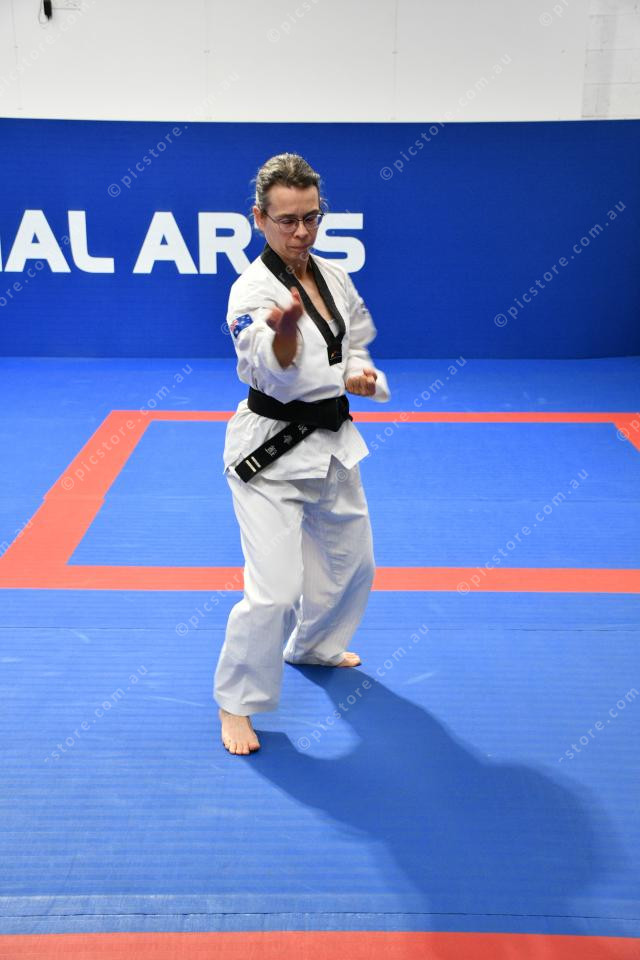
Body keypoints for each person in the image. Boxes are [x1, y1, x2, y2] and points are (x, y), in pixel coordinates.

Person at [215, 153, 391, 755]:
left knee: (352, 564)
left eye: (311, 217)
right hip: (269, 454)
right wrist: (286, 333)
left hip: (332, 442)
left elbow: (351, 343)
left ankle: (314, 646)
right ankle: (236, 702)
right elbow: (269, 363)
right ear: (259, 218)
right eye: (287, 220)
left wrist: (358, 374)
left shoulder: (333, 275)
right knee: (274, 592)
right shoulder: (251, 290)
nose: (301, 232)